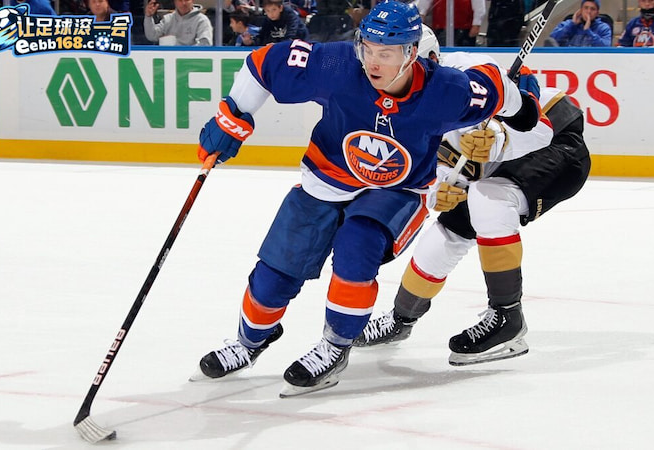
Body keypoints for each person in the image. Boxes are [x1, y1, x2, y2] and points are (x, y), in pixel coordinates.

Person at [190, 0, 541, 396]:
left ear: (411, 53)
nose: (372, 62)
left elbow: (496, 86)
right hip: (326, 178)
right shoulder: (337, 65)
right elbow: (264, 63)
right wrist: (232, 117)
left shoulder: (446, 91)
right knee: (277, 270)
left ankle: (335, 346)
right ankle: (249, 341)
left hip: (397, 190)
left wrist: (524, 106)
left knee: (357, 246)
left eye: (385, 54)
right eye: (368, 49)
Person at [354, 29, 591, 366]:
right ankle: (401, 319)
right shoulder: (385, 104)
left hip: (557, 143)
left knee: (488, 197)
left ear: (427, 60)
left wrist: (499, 137)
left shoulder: (473, 71)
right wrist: (438, 191)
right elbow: (422, 170)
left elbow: (539, 127)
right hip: (490, 165)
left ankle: (508, 317)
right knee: (444, 235)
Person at [416, 0, 486, 46]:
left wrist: (477, 24)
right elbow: (424, 3)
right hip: (441, 26)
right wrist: (421, 14)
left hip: (464, 27)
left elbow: (479, 5)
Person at [144, 0, 213, 46]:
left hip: (192, 61)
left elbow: (205, 44)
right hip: (169, 59)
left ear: (192, 0)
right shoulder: (168, 19)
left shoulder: (202, 20)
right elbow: (152, 36)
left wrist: (184, 54)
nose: (183, 3)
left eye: (186, 0)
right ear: (175, 2)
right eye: (180, 0)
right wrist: (148, 17)